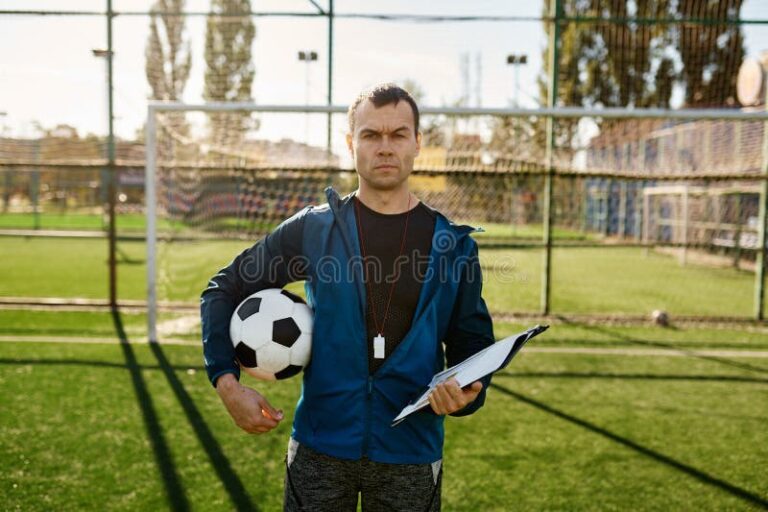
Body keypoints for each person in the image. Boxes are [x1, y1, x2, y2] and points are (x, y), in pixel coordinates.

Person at [200, 83, 495, 511]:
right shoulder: (313, 230)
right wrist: (227, 384)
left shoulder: (454, 245)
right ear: (350, 144)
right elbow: (223, 289)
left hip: (410, 452)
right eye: (371, 135)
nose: (385, 147)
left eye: (398, 135)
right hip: (321, 447)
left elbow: (473, 345)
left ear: (417, 143)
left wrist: (469, 391)